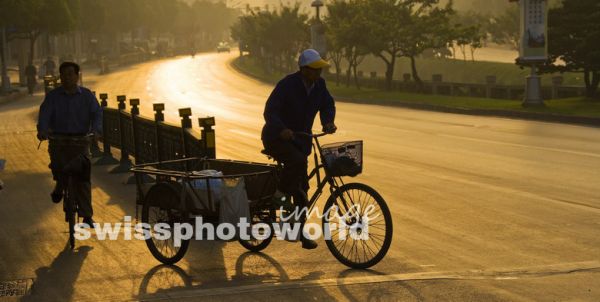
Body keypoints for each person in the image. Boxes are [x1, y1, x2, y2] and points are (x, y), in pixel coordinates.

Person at [261, 49, 337, 249]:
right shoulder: (287, 84)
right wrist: (281, 129)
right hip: (276, 138)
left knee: (303, 189)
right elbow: (270, 110)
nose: (318, 74)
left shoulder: (319, 86)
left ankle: (298, 231)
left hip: (301, 139)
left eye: (319, 70)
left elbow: (327, 104)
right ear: (303, 70)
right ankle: (279, 195)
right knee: (297, 161)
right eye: (314, 70)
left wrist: (328, 122)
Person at [37, 62, 103, 227]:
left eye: (70, 74)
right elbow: (44, 115)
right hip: (58, 140)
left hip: (81, 141)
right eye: (64, 74)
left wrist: (96, 131)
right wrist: (43, 130)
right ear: (60, 77)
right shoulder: (53, 97)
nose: (67, 78)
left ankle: (87, 216)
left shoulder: (87, 96)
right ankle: (60, 186)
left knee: (83, 178)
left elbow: (97, 114)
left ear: (77, 76)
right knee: (59, 168)